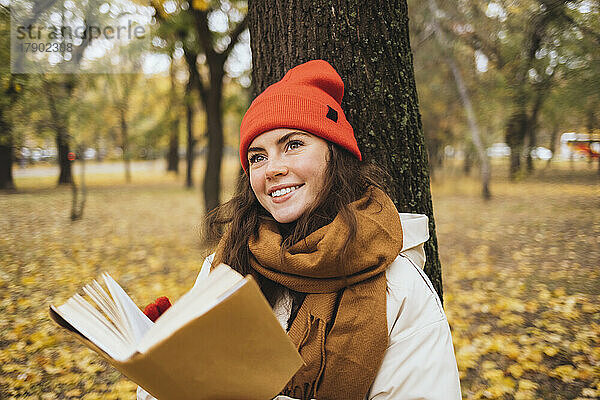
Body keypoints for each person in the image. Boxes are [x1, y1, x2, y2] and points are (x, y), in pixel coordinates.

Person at [138, 59, 461, 400]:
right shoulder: (229, 262)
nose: (273, 169)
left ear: (334, 154)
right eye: (257, 156)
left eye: (293, 144)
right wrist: (168, 362)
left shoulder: (399, 286)